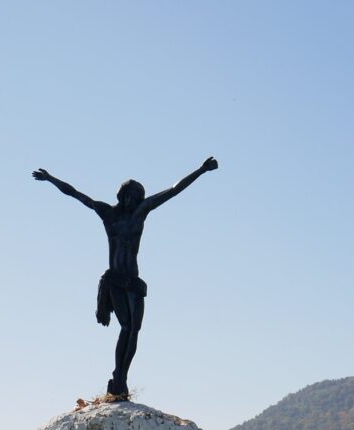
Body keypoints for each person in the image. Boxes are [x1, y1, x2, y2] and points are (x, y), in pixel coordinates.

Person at [32, 157, 218, 397]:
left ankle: (122, 376)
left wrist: (201, 170)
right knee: (126, 325)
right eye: (129, 196)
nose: (132, 200)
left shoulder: (141, 213)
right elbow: (76, 194)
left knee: (135, 329)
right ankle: (117, 376)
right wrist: (50, 179)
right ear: (121, 196)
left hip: (134, 280)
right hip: (116, 279)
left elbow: (173, 191)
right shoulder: (107, 213)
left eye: (137, 196)